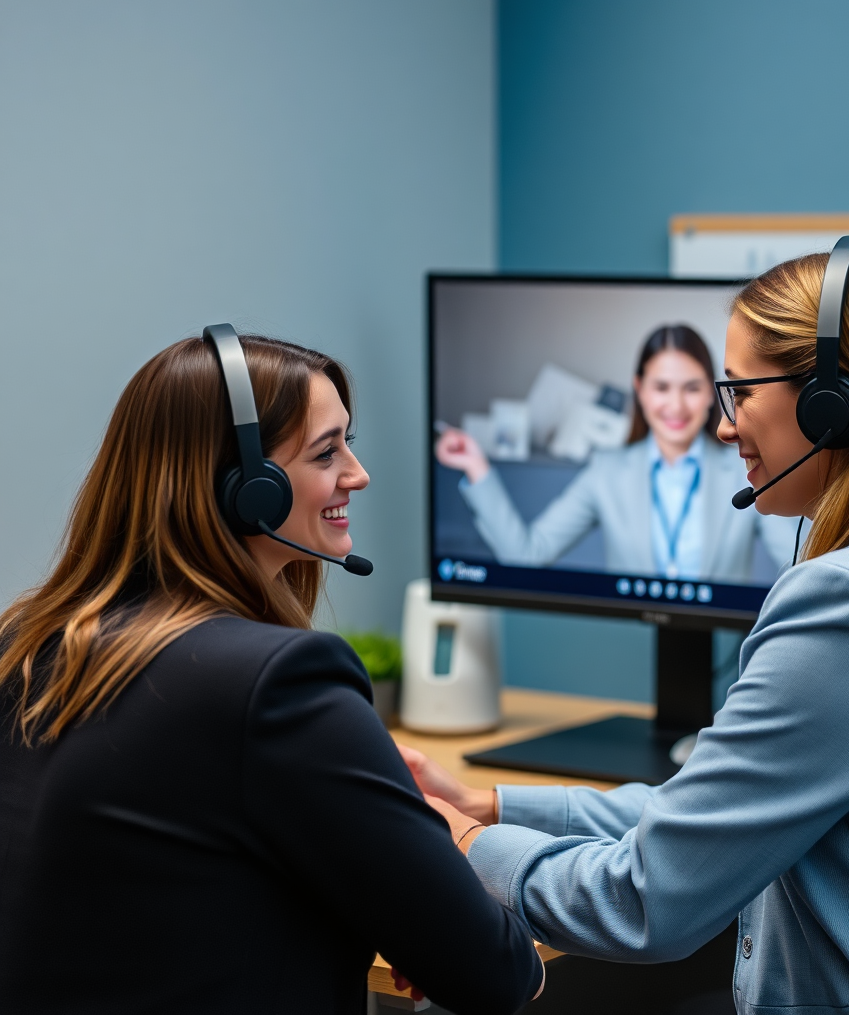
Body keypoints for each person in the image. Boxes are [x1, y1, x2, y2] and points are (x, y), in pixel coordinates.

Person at [403, 247, 849, 1015]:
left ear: (832, 404)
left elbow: (645, 901)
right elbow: (715, 816)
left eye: (736, 391)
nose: (723, 426)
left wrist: (456, 844)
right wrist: (487, 802)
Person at [0, 333, 543, 1015]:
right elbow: (494, 973)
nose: (358, 472)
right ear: (246, 491)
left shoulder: (26, 643)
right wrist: (441, 838)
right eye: (327, 452)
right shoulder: (277, 683)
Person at [436, 324, 798, 584]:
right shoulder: (605, 472)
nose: (676, 405)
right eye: (661, 388)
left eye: (691, 388)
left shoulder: (746, 471)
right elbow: (526, 554)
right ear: (639, 391)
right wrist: (476, 466)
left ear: (710, 394)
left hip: (727, 667)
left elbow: (797, 567)